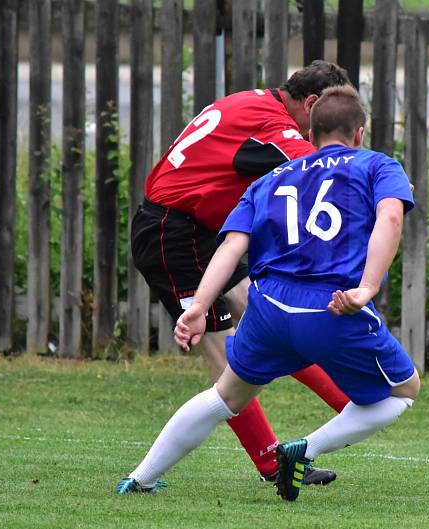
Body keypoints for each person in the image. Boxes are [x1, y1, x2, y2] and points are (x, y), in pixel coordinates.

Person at [130, 84, 420, 501]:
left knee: (223, 396)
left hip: (269, 307)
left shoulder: (270, 179)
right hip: (330, 307)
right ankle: (303, 449)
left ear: (310, 130)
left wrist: (198, 307)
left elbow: (231, 246)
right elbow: (390, 219)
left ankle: (140, 477)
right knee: (404, 391)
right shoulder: (376, 165)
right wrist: (366, 288)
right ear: (359, 133)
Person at [118, 61, 352, 492]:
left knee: (271, 315)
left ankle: (348, 403)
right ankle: (272, 462)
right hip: (172, 233)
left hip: (198, 230)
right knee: (226, 359)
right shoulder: (275, 125)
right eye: (330, 117)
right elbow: (328, 167)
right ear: (313, 104)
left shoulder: (254, 103)